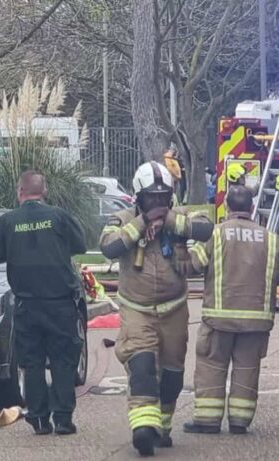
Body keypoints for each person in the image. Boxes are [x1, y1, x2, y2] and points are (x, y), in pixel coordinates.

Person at [99, 161, 213, 456]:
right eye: (152, 197)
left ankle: (162, 425)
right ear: (138, 197)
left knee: (173, 374)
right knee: (142, 367)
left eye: (164, 197)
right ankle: (142, 431)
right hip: (137, 309)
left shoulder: (181, 216)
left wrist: (171, 221)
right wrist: (141, 224)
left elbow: (205, 227)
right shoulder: (122, 218)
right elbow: (109, 246)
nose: (159, 202)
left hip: (174, 309)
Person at [184, 185, 279, 435]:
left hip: (218, 321)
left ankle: (207, 421)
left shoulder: (215, 235)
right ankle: (239, 422)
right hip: (256, 322)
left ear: (227, 207)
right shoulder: (271, 238)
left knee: (212, 367)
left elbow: (193, 265)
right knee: (247, 370)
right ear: (252, 208)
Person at [0, 171, 87, 436]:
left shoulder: (6, 221)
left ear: (20, 192)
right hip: (60, 304)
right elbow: (80, 245)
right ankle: (64, 419)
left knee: (31, 363)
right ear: (44, 191)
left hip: (26, 305)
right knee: (63, 361)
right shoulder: (60, 217)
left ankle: (40, 419)